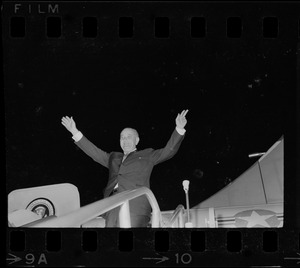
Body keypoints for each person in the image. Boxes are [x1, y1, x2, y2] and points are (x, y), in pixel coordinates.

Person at [61, 110, 188, 227]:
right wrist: (74, 131)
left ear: (137, 140)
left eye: (129, 137)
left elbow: (168, 151)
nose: (125, 140)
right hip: (111, 206)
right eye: (122, 137)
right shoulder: (113, 157)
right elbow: (94, 152)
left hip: (135, 207)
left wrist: (179, 129)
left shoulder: (147, 155)